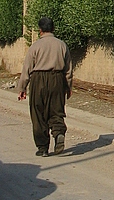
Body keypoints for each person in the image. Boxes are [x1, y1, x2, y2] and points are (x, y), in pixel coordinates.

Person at [18, 17, 73, 157]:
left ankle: (42, 148)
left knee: (38, 112)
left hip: (38, 80)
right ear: (53, 29)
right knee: (56, 110)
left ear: (40, 30)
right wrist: (68, 87)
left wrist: (22, 88)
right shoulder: (62, 45)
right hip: (57, 79)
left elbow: (27, 68)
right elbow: (68, 69)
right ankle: (59, 132)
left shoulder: (35, 47)